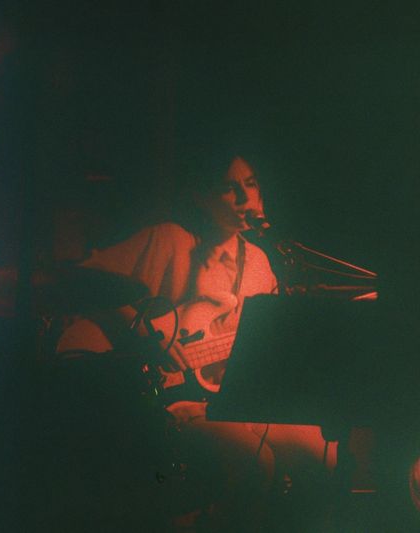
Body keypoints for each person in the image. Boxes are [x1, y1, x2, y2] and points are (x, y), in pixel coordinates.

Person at [68, 149, 338, 531]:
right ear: (201, 196)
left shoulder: (259, 262)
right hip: (166, 400)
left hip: (232, 400)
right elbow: (85, 279)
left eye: (251, 184)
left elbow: (263, 348)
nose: (245, 198)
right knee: (255, 461)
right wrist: (145, 334)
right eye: (229, 188)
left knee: (322, 451)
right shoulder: (169, 239)